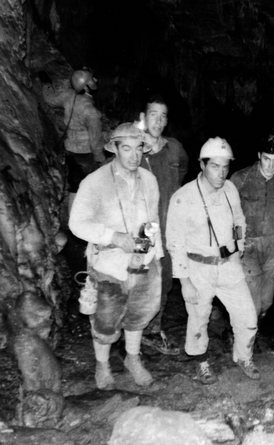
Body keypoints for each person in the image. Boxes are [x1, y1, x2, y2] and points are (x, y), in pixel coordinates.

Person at [69, 122, 162, 390]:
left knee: (138, 313)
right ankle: (102, 364)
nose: (134, 155)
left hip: (142, 259)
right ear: (115, 149)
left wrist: (141, 253)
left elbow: (152, 220)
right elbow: (77, 223)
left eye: (138, 148)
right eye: (127, 148)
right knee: (105, 319)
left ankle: (132, 358)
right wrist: (114, 237)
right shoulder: (94, 182)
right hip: (108, 264)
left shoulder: (149, 180)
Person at [166, 137, 260, 383]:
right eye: (215, 166)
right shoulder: (183, 197)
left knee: (248, 318)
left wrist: (239, 247)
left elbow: (239, 220)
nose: (221, 173)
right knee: (199, 319)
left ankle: (243, 356)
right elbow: (175, 242)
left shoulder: (230, 189)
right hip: (199, 268)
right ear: (202, 165)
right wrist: (184, 281)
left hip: (229, 265)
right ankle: (202, 363)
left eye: (225, 167)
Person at [138, 95, 189, 355]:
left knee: (165, 279)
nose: (158, 121)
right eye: (153, 115)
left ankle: (152, 330)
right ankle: (131, 331)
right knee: (138, 276)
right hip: (142, 229)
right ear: (143, 117)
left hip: (169, 227)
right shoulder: (133, 148)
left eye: (163, 116)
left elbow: (182, 173)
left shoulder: (175, 148)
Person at [230, 134, 274, 320]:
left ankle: (250, 326)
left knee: (266, 301)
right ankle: (246, 332)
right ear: (259, 155)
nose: (270, 166)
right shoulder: (240, 179)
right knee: (252, 300)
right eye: (266, 159)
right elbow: (230, 216)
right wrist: (236, 246)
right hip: (247, 243)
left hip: (272, 245)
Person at [42, 69, 106, 200]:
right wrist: (100, 158)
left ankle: (73, 212)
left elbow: (50, 99)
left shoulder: (68, 96)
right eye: (91, 80)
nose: (94, 81)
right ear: (86, 86)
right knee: (89, 189)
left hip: (70, 150)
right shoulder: (90, 111)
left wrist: (46, 84)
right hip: (86, 154)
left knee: (74, 187)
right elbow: (95, 139)